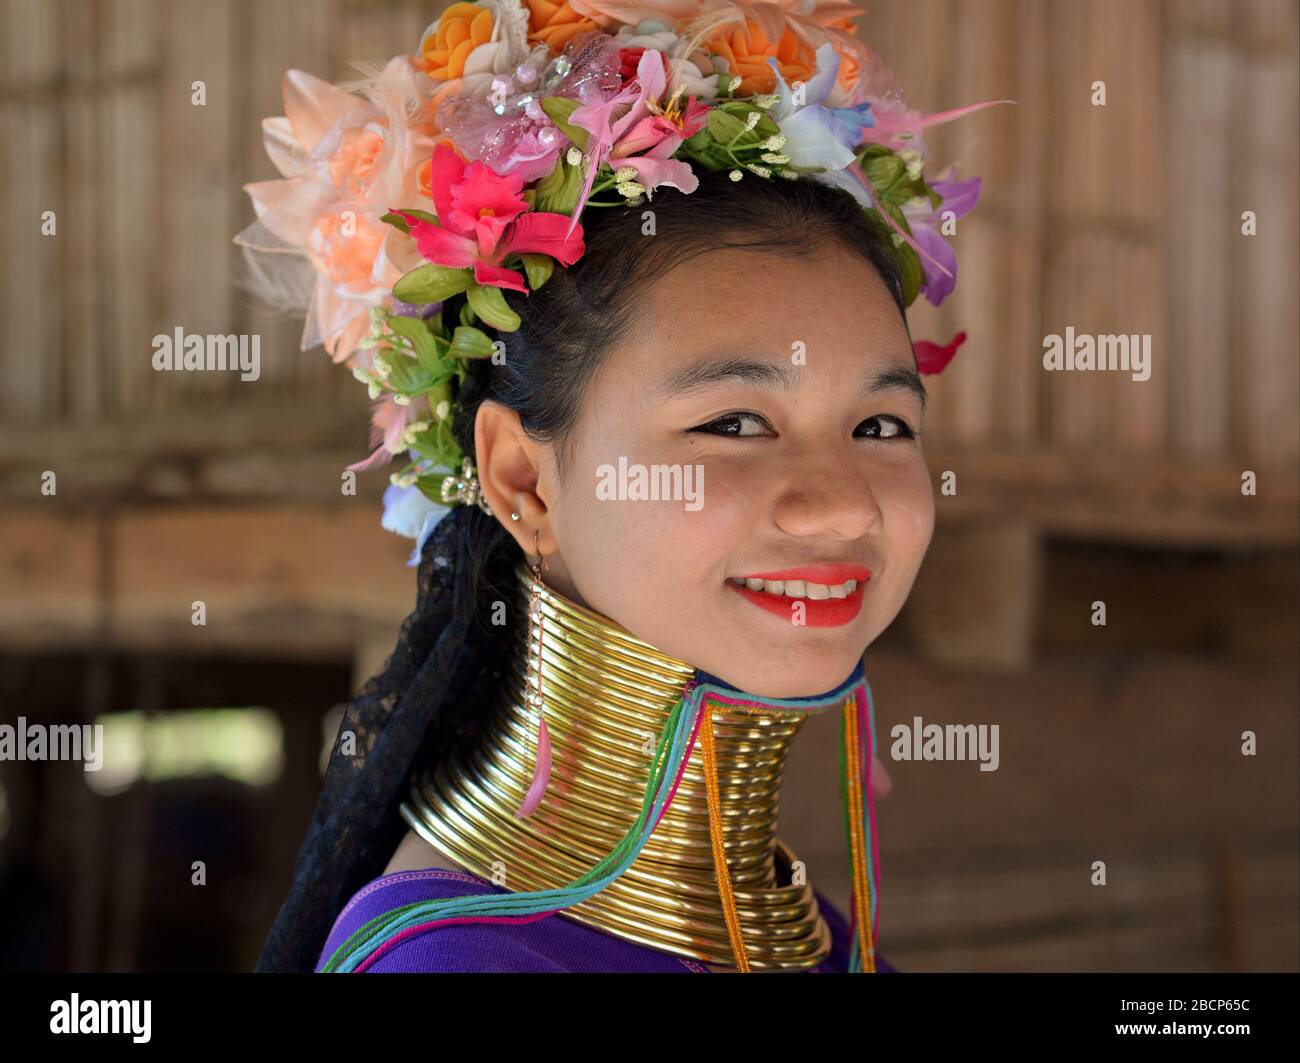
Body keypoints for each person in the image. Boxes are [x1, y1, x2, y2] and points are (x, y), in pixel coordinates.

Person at [240, 0, 1004, 974]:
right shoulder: (462, 967)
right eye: (733, 423)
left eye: (880, 426)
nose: (845, 502)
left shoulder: (799, 934)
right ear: (523, 479)